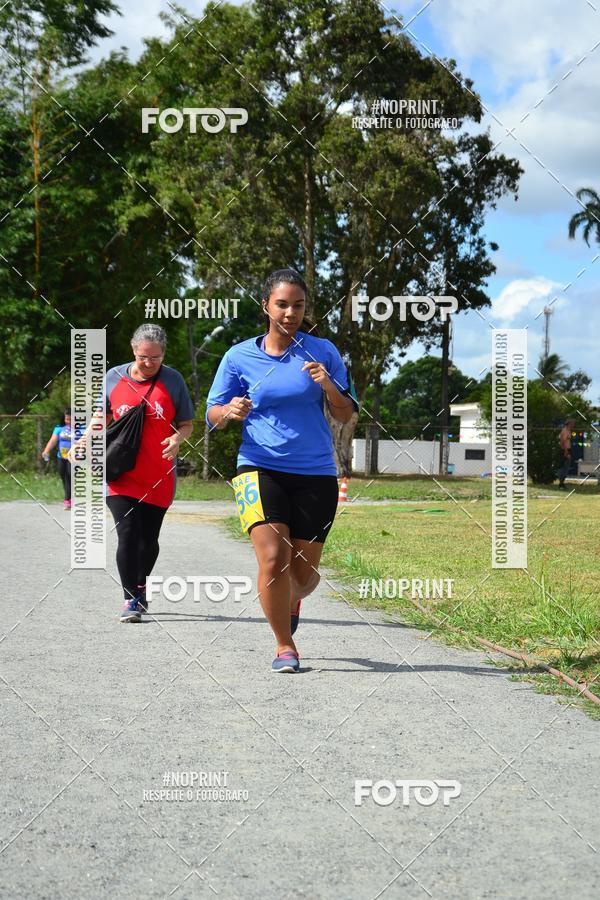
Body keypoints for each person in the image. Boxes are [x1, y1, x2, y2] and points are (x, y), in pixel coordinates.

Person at [206, 268, 359, 673]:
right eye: (282, 304)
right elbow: (212, 416)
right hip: (256, 467)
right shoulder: (238, 356)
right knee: (273, 559)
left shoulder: (323, 351)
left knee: (305, 576)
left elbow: (346, 415)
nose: (290, 312)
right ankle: (284, 646)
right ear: (265, 306)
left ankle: (291, 598)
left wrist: (329, 386)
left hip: (315, 473)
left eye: (298, 305)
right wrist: (230, 411)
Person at [71, 324, 195, 622]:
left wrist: (177, 440)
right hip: (121, 472)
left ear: (163, 354)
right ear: (133, 350)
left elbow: (187, 423)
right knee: (126, 535)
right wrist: (83, 441)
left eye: (155, 357)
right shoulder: (113, 377)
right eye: (143, 357)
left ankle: (140, 585)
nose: (149, 363)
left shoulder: (174, 380)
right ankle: (130, 599)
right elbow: (101, 415)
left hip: (159, 474)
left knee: (148, 541)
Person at [42, 409, 76, 509]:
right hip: (61, 456)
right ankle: (69, 498)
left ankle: (67, 499)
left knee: (70, 476)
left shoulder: (80, 429)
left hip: (73, 458)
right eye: (67, 419)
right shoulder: (59, 428)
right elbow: (53, 440)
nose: (68, 421)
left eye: (71, 419)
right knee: (63, 476)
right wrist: (46, 451)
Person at [556, 418, 576, 489]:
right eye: (573, 423)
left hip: (568, 449)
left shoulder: (569, 431)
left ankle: (562, 483)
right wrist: (566, 451)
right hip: (565, 450)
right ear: (569, 423)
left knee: (566, 467)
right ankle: (561, 483)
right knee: (564, 467)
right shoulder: (565, 431)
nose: (574, 425)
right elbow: (563, 441)